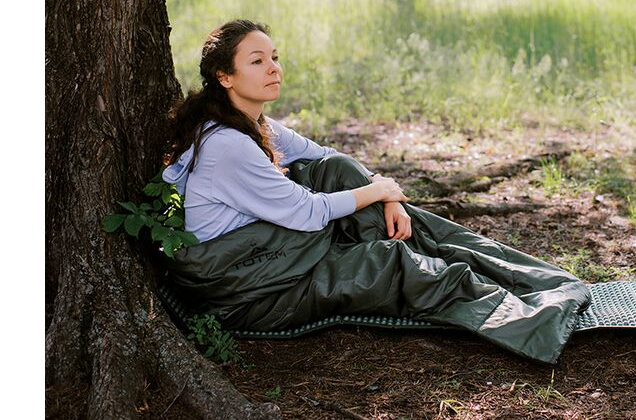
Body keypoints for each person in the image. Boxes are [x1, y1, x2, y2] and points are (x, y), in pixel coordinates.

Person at [161, 20, 591, 364]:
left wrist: (386, 194)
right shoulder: (227, 145)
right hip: (248, 289)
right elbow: (306, 213)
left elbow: (327, 156)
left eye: (274, 57)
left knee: (339, 171)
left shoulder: (253, 123)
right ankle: (529, 322)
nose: (274, 68)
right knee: (389, 262)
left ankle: (526, 279)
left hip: (278, 254)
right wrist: (380, 191)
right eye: (257, 61)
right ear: (224, 76)